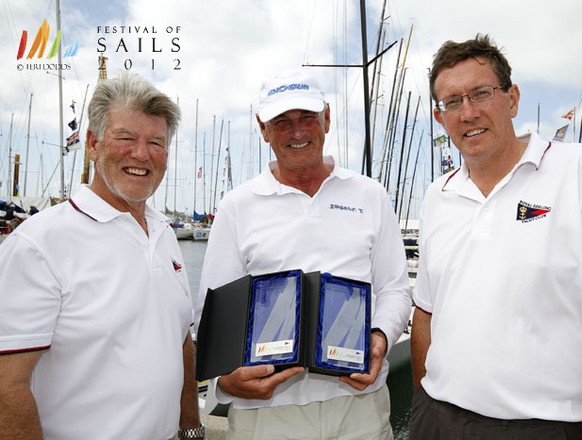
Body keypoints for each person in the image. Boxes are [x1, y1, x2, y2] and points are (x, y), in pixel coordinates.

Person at [410, 34, 582, 439]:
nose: (467, 112)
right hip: (438, 421)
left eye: (481, 93)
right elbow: (426, 315)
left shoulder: (579, 172)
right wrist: (423, 407)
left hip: (544, 428)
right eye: (451, 102)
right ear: (440, 118)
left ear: (512, 99)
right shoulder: (438, 195)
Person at [195, 68, 412, 440]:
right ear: (263, 129)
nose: (297, 131)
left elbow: (395, 289)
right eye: (282, 121)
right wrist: (227, 381)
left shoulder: (370, 194)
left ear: (327, 119)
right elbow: (213, 314)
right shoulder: (237, 205)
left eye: (307, 117)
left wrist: (381, 335)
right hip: (267, 415)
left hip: (359, 408)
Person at [0, 73, 204, 440]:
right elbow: (6, 386)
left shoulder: (164, 234)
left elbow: (180, 341)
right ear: (93, 144)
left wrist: (191, 428)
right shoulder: (39, 245)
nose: (141, 154)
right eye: (125, 138)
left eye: (156, 142)